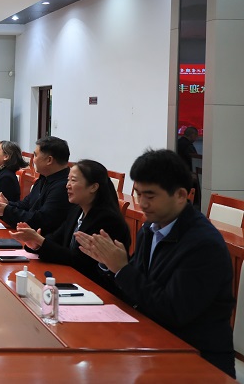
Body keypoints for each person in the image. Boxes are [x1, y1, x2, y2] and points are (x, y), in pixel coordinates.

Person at [76, 149, 234, 377]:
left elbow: (172, 310)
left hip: (195, 360)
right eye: (138, 194)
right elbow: (137, 287)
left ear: (180, 195)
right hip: (151, 342)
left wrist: (122, 269)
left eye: (150, 196)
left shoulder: (203, 245)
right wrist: (109, 264)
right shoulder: (150, 229)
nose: (142, 203)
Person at [10, 160, 130, 294]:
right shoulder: (76, 210)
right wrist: (36, 243)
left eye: (73, 180)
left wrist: (41, 241)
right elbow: (57, 238)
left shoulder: (107, 221)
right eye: (68, 180)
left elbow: (80, 262)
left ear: (93, 187)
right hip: (73, 280)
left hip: (96, 290)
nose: (67, 185)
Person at [0, 136, 71, 236]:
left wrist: (7, 210)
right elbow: (25, 204)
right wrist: (6, 204)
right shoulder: (44, 178)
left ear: (49, 160)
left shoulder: (63, 186)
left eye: (35, 155)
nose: (33, 160)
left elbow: (41, 219)